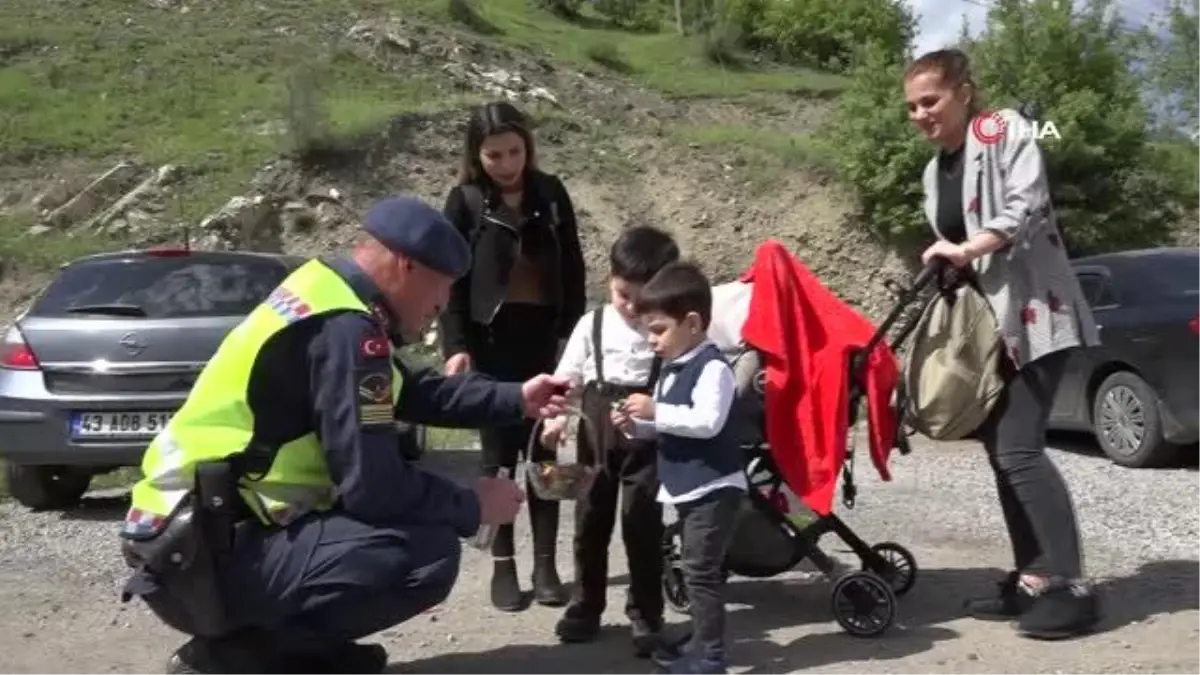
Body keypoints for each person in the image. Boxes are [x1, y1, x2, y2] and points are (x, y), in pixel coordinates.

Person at [117, 195, 573, 675]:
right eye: (443, 289)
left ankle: (307, 653)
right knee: (424, 553)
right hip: (206, 559)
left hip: (189, 542)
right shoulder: (348, 332)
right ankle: (227, 660)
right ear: (406, 266)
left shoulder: (324, 295)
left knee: (401, 528)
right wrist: (472, 504)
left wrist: (516, 397)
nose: (441, 308)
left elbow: (409, 390)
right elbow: (372, 487)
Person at [903, 48, 1102, 639]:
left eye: (931, 100)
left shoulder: (1004, 129)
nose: (920, 114)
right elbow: (958, 240)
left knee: (1018, 449)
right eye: (912, 106)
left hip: (1038, 317)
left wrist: (968, 248)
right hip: (990, 331)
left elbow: (1029, 205)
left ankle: (1072, 585)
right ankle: (1034, 578)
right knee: (1001, 453)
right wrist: (950, 266)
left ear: (964, 91)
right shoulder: (934, 170)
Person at [439, 100, 587, 611]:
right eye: (495, 154)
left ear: (528, 147)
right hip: (489, 343)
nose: (507, 163)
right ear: (477, 155)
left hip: (543, 340)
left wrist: (573, 337)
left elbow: (573, 268)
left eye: (515, 151)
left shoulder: (551, 193)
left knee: (546, 454)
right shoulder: (465, 200)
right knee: (496, 460)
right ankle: (503, 568)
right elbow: (452, 281)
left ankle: (545, 565)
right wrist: (455, 347)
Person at [541, 225, 681, 655]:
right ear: (609, 282)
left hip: (648, 439)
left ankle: (646, 614)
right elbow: (568, 379)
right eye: (624, 294)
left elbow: (686, 380)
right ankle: (586, 605)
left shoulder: (672, 330)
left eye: (642, 299)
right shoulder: (593, 323)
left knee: (641, 523)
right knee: (590, 520)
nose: (631, 307)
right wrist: (556, 418)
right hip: (595, 431)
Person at [613, 261, 745, 675]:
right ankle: (700, 641)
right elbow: (672, 427)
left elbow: (706, 422)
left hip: (715, 488)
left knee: (701, 572)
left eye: (658, 330)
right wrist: (639, 426)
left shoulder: (712, 368)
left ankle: (710, 657)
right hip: (692, 490)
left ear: (692, 323)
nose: (651, 341)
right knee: (696, 569)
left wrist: (657, 411)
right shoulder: (672, 370)